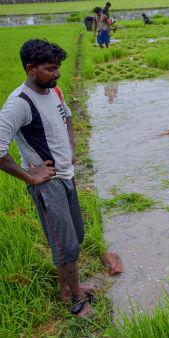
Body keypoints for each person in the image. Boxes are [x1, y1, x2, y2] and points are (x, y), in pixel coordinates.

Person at [0, 39, 95, 318]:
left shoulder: (54, 91)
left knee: (75, 235)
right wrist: (30, 176)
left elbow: (65, 117)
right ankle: (77, 299)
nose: (57, 74)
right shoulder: (19, 104)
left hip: (67, 175)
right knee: (65, 244)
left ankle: (68, 288)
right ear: (31, 69)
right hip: (48, 185)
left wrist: (72, 148)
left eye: (58, 68)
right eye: (51, 69)